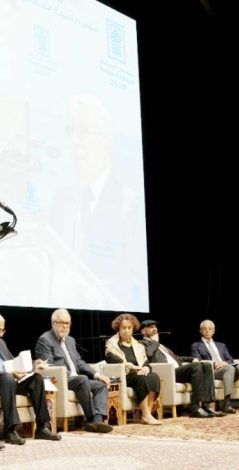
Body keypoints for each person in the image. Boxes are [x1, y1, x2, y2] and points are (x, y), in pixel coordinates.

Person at [48, 94, 147, 311]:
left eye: (83, 132)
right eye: (71, 131)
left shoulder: (130, 203)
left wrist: (96, 292)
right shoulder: (61, 200)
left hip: (106, 312)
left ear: (106, 142)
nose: (74, 141)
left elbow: (136, 281)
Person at [0, 311, 62, 445]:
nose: (1, 334)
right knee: (7, 378)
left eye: (3, 331)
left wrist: (32, 364)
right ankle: (10, 430)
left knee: (36, 379)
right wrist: (8, 373)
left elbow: (12, 361)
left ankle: (42, 427)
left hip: (9, 381)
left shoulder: (0, 343)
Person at [34, 308, 113, 432]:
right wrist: (71, 375)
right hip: (59, 380)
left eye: (67, 323)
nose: (65, 326)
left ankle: (96, 421)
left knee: (101, 385)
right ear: (53, 323)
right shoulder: (45, 340)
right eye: (61, 323)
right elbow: (47, 366)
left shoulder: (70, 340)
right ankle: (91, 418)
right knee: (82, 379)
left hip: (77, 380)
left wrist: (97, 375)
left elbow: (79, 362)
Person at [139, 320, 224, 418]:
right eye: (151, 327)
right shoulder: (142, 344)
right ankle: (195, 407)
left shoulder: (161, 345)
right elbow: (148, 354)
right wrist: (154, 342)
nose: (154, 329)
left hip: (178, 371)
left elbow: (176, 358)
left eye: (155, 327)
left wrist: (191, 359)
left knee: (206, 365)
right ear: (143, 331)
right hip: (167, 373)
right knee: (196, 366)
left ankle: (206, 405)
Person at [190, 320, 239, 413]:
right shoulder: (196, 345)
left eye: (210, 329)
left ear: (213, 331)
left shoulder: (221, 345)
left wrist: (224, 363)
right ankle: (227, 404)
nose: (207, 331)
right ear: (201, 331)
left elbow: (230, 360)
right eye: (205, 329)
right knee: (229, 368)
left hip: (226, 369)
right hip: (212, 371)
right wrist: (215, 364)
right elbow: (198, 361)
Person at [105, 313, 162, 425]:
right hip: (124, 376)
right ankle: (146, 415)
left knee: (154, 376)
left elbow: (146, 362)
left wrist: (145, 368)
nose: (126, 331)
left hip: (138, 374)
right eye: (123, 328)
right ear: (118, 329)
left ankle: (147, 414)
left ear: (133, 329)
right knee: (141, 378)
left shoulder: (137, 345)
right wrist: (133, 367)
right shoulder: (112, 344)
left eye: (129, 328)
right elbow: (115, 361)